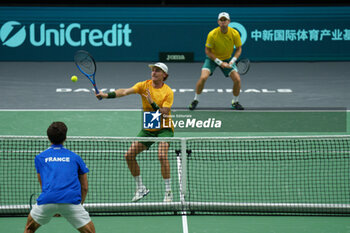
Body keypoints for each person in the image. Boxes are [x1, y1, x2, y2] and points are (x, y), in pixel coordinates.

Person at [95, 62, 174, 203]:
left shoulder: (168, 91)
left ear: (164, 75)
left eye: (158, 70)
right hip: (149, 127)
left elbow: (165, 112)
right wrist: (106, 95)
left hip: (164, 127)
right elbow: (124, 92)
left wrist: (152, 102)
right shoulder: (144, 85)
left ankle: (168, 191)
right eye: (153, 70)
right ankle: (140, 187)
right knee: (129, 155)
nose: (154, 72)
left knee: (162, 155)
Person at [24, 122, 95, 233]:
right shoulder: (76, 158)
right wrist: (78, 205)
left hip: (47, 200)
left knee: (29, 228)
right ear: (65, 138)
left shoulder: (40, 158)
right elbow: (84, 187)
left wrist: (54, 204)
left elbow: (43, 184)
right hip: (71, 201)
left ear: (48, 138)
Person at [189, 12, 244, 110]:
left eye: (225, 20)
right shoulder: (212, 34)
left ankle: (235, 102)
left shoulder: (234, 33)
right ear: (218, 22)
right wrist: (220, 62)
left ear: (229, 21)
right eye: (221, 20)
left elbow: (239, 49)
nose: (223, 22)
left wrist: (232, 61)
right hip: (212, 59)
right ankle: (195, 100)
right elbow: (207, 51)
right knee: (203, 77)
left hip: (227, 58)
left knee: (237, 79)